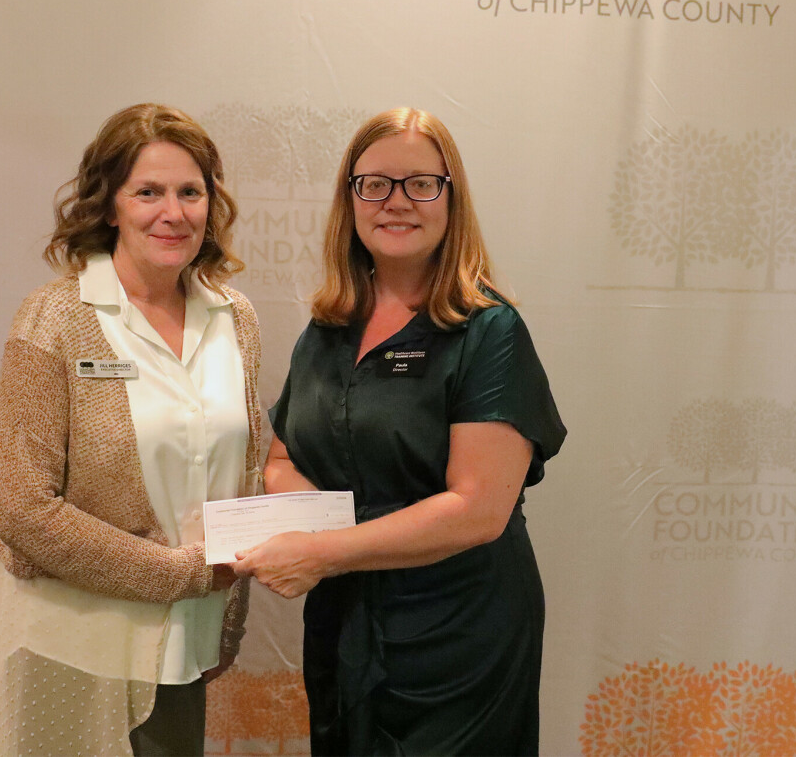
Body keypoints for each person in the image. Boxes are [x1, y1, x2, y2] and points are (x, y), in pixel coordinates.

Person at [231, 108, 566, 756]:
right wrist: (311, 533)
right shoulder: (329, 328)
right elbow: (280, 452)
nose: (396, 202)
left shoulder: (489, 332)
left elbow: (477, 511)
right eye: (375, 184)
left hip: (458, 632)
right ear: (350, 199)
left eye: (421, 184)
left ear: (451, 198)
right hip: (346, 619)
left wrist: (322, 552)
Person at [0, 103, 262, 757]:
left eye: (191, 192)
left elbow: (244, 470)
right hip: (72, 647)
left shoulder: (235, 320)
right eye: (148, 192)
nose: (174, 212)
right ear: (109, 206)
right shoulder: (53, 318)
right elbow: (20, 507)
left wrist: (224, 617)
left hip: (184, 646)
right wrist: (179, 573)